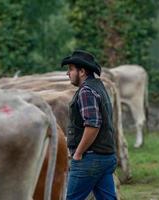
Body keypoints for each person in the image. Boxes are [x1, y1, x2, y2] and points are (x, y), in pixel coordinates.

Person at [61, 50, 117, 200]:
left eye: (71, 69)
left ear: (82, 71)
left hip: (90, 158)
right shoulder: (99, 87)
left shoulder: (86, 91)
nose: (68, 73)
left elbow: (93, 125)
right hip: (106, 156)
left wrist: (78, 153)